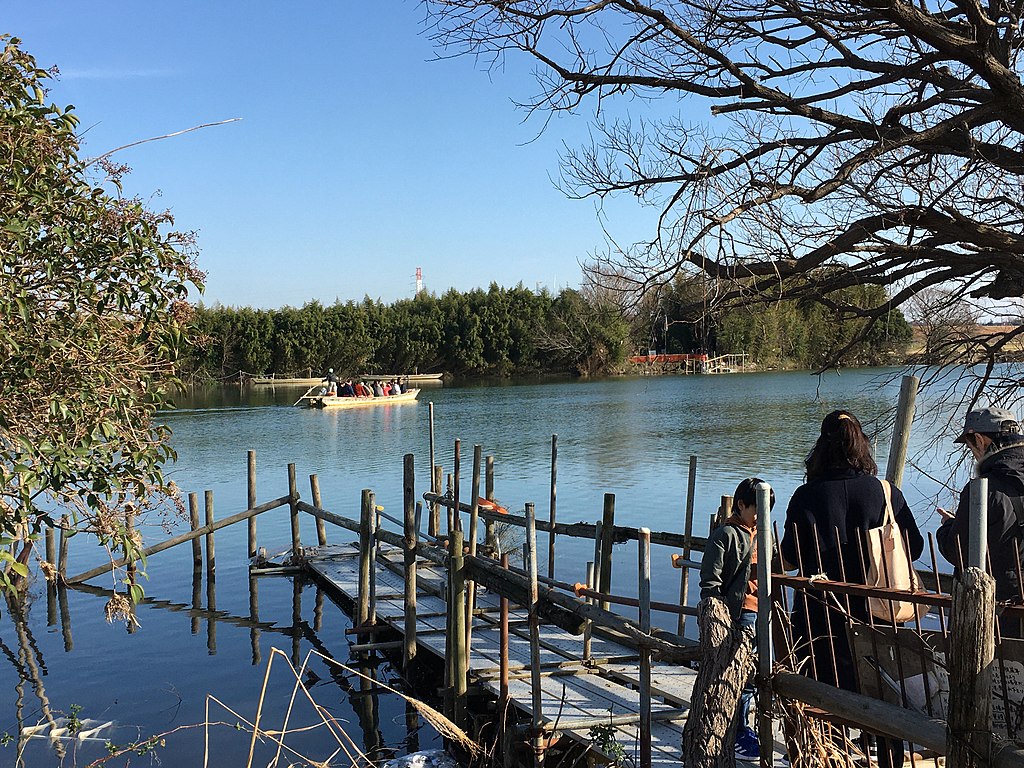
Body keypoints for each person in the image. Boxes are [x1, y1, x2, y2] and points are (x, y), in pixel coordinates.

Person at [780, 410, 923, 768]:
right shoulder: (885, 493)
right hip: (877, 615)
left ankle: (829, 759)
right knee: (885, 700)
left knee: (823, 701)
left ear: (820, 446)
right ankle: (888, 760)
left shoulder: (806, 496)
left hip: (820, 618)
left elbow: (790, 558)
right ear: (862, 445)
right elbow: (915, 547)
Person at [699, 477, 776, 762]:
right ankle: (739, 731)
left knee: (757, 674)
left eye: (766, 510)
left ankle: (748, 728)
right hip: (740, 613)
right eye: (757, 509)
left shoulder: (764, 534)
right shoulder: (726, 535)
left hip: (763, 612)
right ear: (741, 505)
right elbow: (710, 582)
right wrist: (718, 617)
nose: (761, 516)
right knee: (738, 674)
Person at [937, 406, 1024, 637]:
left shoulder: (983, 491)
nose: (973, 454)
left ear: (979, 439)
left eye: (970, 446)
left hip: (996, 609)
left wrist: (947, 527)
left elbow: (958, 552)